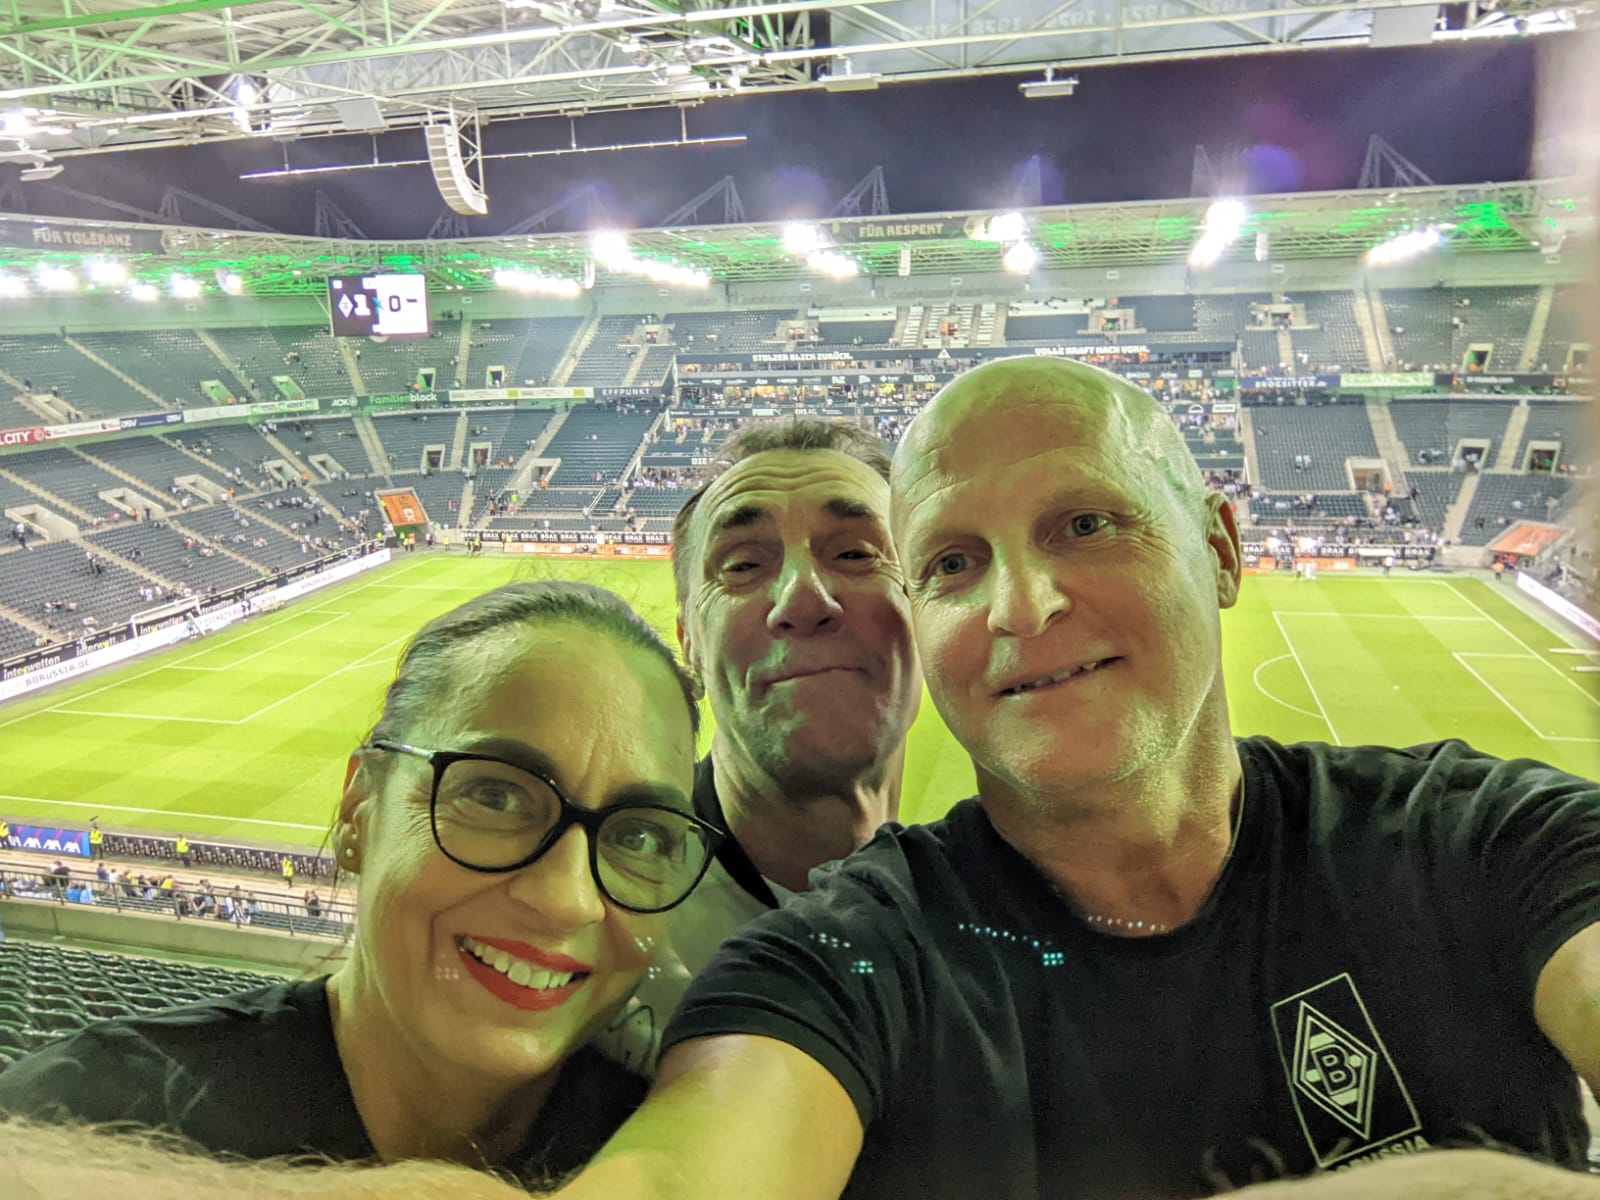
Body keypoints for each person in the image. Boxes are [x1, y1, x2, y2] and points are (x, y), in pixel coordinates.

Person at [549, 357, 1600, 1200]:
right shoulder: (843, 960)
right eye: (953, 563)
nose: (1022, 605)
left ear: (1220, 548)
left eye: (1085, 524)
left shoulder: (1481, 841)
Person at [0, 581, 720, 1189]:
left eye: (640, 836)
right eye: (495, 795)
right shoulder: (74, 1119)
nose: (566, 899)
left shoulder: (702, 1150)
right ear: (359, 809)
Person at [599, 420, 923, 1072]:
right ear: (689, 642)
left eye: (856, 554)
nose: (803, 598)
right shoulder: (597, 939)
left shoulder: (1007, 913)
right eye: (743, 565)